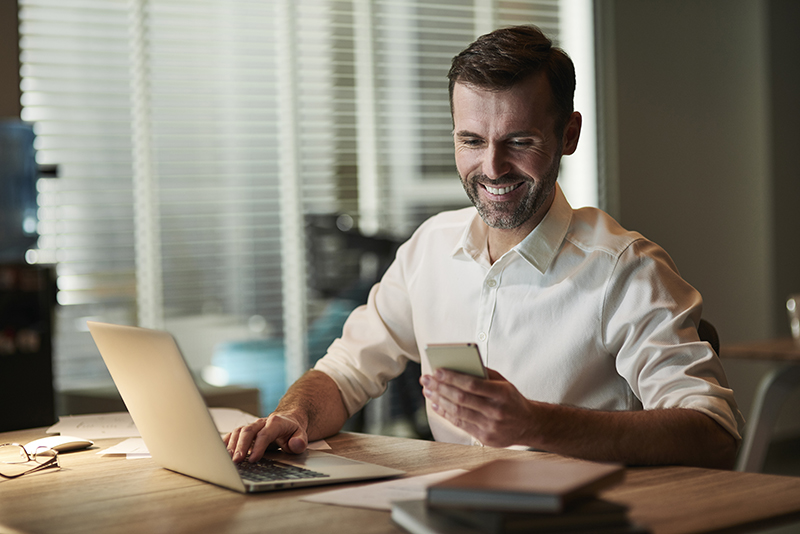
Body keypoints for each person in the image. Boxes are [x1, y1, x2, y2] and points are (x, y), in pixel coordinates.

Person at [225, 25, 743, 469]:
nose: (492, 169)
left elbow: (715, 433)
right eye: (472, 141)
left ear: (568, 134)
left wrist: (537, 424)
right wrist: (293, 416)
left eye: (519, 141)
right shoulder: (430, 248)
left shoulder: (624, 270)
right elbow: (343, 373)